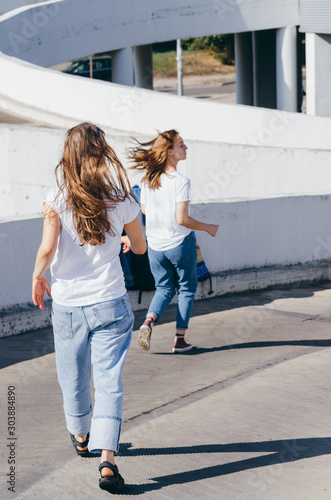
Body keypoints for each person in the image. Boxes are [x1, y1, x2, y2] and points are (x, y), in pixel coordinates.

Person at [32, 122, 146, 493]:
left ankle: (82, 436)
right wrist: (125, 241)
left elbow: (48, 249)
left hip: (68, 305)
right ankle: (108, 461)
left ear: (69, 155)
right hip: (110, 302)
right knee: (109, 381)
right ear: (101, 153)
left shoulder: (56, 197)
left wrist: (38, 276)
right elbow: (141, 248)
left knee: (73, 376)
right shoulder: (123, 199)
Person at [128, 129, 219, 353]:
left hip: (155, 248)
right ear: (169, 152)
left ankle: (148, 321)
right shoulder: (181, 181)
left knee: (164, 288)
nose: (185, 148)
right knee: (187, 289)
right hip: (179, 244)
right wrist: (208, 227)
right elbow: (182, 219)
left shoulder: (147, 180)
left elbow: (145, 210)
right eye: (181, 145)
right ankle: (179, 340)